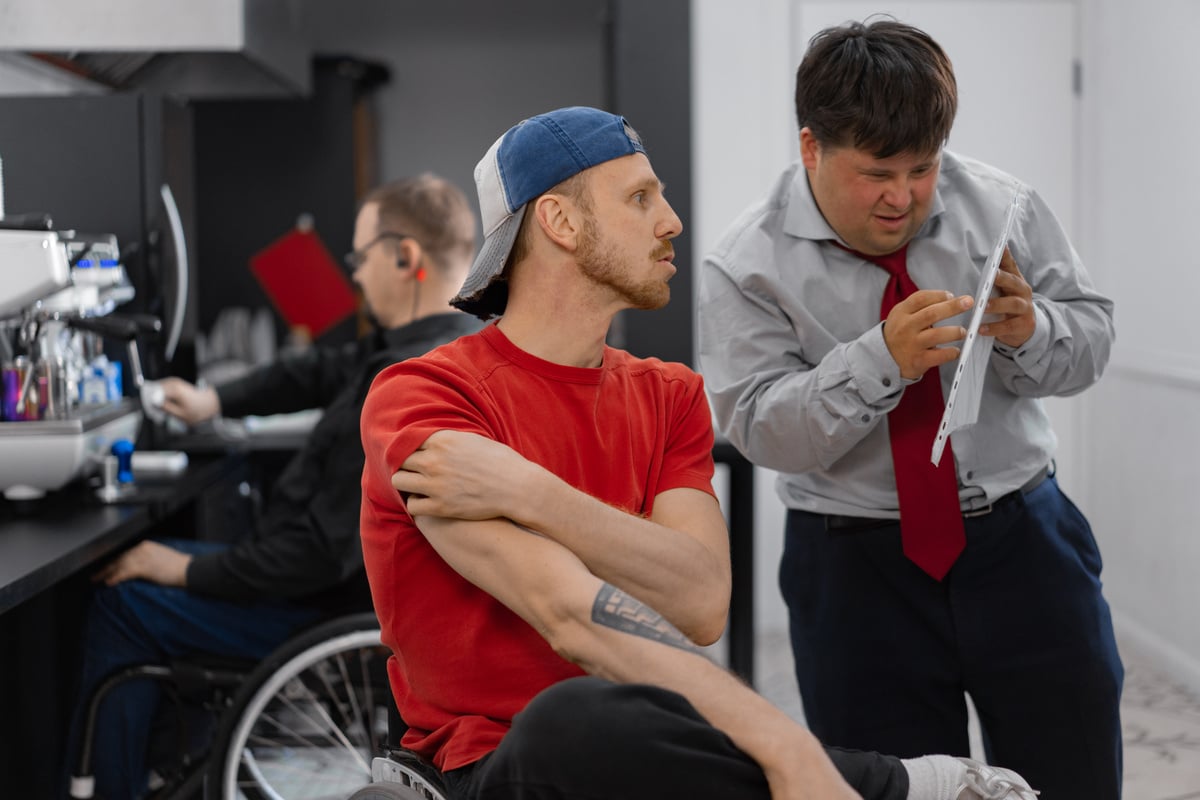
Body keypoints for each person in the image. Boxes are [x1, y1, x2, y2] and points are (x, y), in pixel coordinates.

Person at [360, 106, 1037, 800]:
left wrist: (531, 493)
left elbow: (702, 598)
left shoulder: (669, 395)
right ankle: (903, 787)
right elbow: (564, 611)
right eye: (640, 198)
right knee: (571, 719)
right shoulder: (423, 397)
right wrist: (785, 747)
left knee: (637, 723)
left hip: (654, 746)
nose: (672, 220)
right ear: (560, 223)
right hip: (498, 766)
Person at [696, 18, 1121, 800]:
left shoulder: (1002, 207)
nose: (904, 197)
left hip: (1025, 543)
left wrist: (1036, 329)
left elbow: (1092, 340)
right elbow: (758, 430)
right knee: (890, 788)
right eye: (878, 172)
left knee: (1075, 773)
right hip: (854, 571)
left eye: (924, 168)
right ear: (810, 148)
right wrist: (878, 361)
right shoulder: (744, 265)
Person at [64, 173, 483, 800]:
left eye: (361, 257)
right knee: (154, 576)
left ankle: (113, 789)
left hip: (316, 606)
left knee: (125, 604)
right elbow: (314, 371)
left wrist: (176, 568)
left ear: (405, 258)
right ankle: (176, 762)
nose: (356, 276)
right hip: (328, 592)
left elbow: (312, 554)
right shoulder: (436, 348)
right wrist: (214, 399)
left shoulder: (405, 385)